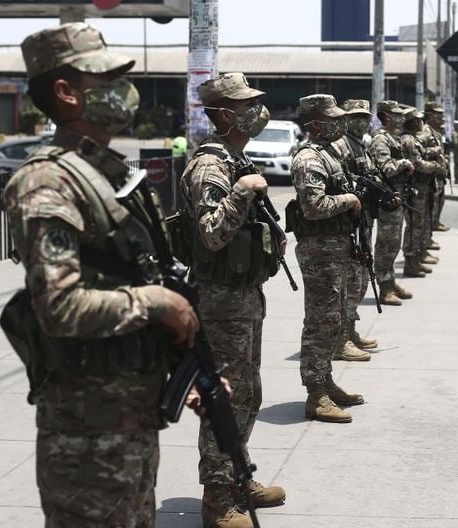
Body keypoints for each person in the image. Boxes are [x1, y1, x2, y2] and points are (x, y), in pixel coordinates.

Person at [2, 22, 207, 527]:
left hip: (129, 421)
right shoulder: (46, 182)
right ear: (66, 92)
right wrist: (159, 303)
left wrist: (182, 367)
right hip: (86, 437)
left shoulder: (105, 173)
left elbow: (120, 279)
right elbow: (61, 307)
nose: (123, 93)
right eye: (106, 80)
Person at [177, 72, 286, 528]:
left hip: (243, 296)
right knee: (224, 399)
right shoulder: (210, 166)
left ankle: (239, 479)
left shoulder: (235, 158)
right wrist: (243, 192)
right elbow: (211, 234)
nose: (254, 111)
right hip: (220, 300)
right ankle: (218, 499)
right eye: (245, 105)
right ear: (224, 114)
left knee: (249, 394)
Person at [288, 93, 366, 423]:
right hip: (319, 252)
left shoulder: (328, 153)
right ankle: (314, 393)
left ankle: (326, 380)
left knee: (332, 319)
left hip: (335, 248)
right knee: (319, 321)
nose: (339, 124)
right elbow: (313, 206)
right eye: (332, 119)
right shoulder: (309, 159)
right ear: (316, 123)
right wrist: (348, 200)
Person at [331, 98, 385, 361]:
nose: (361, 121)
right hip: (349, 223)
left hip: (364, 221)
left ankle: (350, 330)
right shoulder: (341, 146)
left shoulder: (360, 145)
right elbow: (339, 181)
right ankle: (341, 338)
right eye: (356, 116)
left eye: (365, 117)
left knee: (362, 278)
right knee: (351, 283)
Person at [368, 101, 415, 306]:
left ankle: (391, 282)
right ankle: (384, 287)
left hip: (397, 197)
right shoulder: (380, 139)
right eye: (396, 114)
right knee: (386, 244)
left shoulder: (392, 138)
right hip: (386, 199)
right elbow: (385, 168)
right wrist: (404, 163)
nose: (401, 118)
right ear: (386, 117)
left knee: (394, 242)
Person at [399, 107, 443, 277]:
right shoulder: (409, 140)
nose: (420, 122)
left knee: (420, 224)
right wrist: (435, 167)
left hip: (422, 188)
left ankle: (416, 258)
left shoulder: (414, 139)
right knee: (414, 226)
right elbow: (416, 163)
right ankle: (410, 262)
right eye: (417, 120)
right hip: (414, 189)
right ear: (410, 122)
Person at [422, 102, 451, 233]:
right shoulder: (425, 130)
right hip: (430, 174)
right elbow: (420, 151)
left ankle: (435, 222)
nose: (441, 117)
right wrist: (435, 150)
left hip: (438, 173)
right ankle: (431, 226)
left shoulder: (436, 132)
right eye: (438, 114)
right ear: (430, 114)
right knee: (431, 204)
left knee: (439, 201)